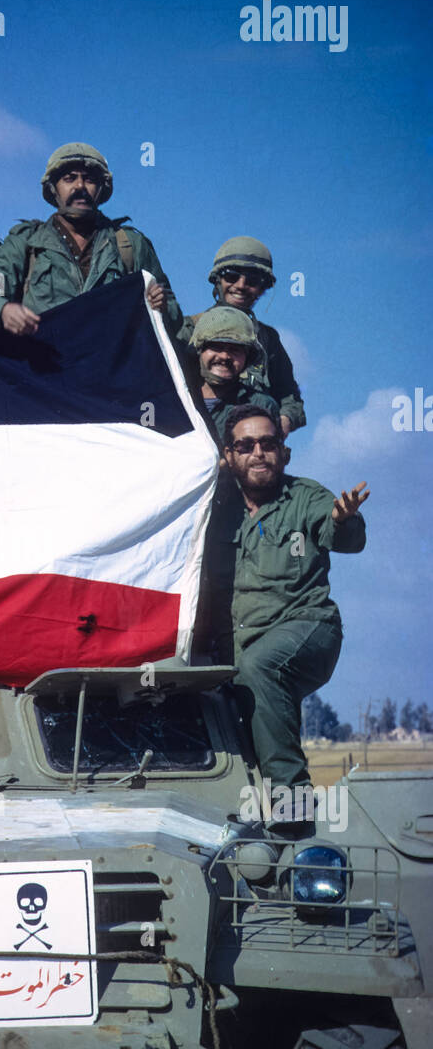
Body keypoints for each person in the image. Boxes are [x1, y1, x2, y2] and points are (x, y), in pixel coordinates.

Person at [206, 405, 368, 811]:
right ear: (229, 456)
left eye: (268, 443)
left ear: (285, 453)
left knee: (261, 668)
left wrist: (344, 519)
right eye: (245, 445)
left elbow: (342, 534)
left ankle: (293, 806)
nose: (258, 453)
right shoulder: (213, 507)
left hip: (307, 627)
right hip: (242, 644)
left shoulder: (306, 496)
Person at [0, 142, 182, 339]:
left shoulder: (129, 245)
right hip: (46, 376)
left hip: (112, 379)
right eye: (69, 178)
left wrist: (160, 305)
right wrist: (2, 310)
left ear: (101, 188)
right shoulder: (27, 243)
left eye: (90, 180)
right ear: (53, 189)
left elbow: (174, 314)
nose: (80, 187)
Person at [181, 237, 306, 435]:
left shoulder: (267, 339)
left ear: (263, 288)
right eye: (231, 276)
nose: (240, 285)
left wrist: (278, 425)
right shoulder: (189, 328)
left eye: (253, 281)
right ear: (217, 279)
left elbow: (289, 397)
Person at [188, 307, 279, 446]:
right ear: (199, 350)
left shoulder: (261, 405)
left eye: (235, 350)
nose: (225, 356)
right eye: (216, 347)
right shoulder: (177, 398)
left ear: (247, 357)